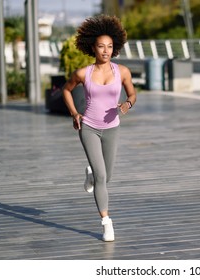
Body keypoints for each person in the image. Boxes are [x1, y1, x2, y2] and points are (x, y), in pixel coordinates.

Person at [62, 15, 136, 242]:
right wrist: (75, 113)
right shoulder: (83, 73)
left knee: (107, 176)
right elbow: (66, 90)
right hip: (89, 128)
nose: (106, 50)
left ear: (114, 49)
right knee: (102, 176)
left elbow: (132, 93)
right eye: (101, 46)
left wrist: (127, 103)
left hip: (112, 127)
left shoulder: (122, 71)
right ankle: (106, 222)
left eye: (110, 47)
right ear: (93, 47)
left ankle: (91, 174)